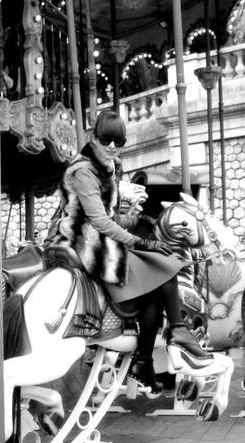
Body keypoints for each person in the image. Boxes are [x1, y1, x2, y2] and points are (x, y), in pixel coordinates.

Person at [45, 110, 213, 396]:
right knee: (161, 265)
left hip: (95, 234)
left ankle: (145, 358)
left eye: (119, 141)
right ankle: (176, 332)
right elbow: (98, 222)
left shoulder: (108, 167)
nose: (112, 146)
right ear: (93, 137)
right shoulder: (84, 170)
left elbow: (110, 217)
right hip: (78, 241)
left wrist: (141, 221)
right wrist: (141, 242)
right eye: (106, 139)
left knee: (156, 282)